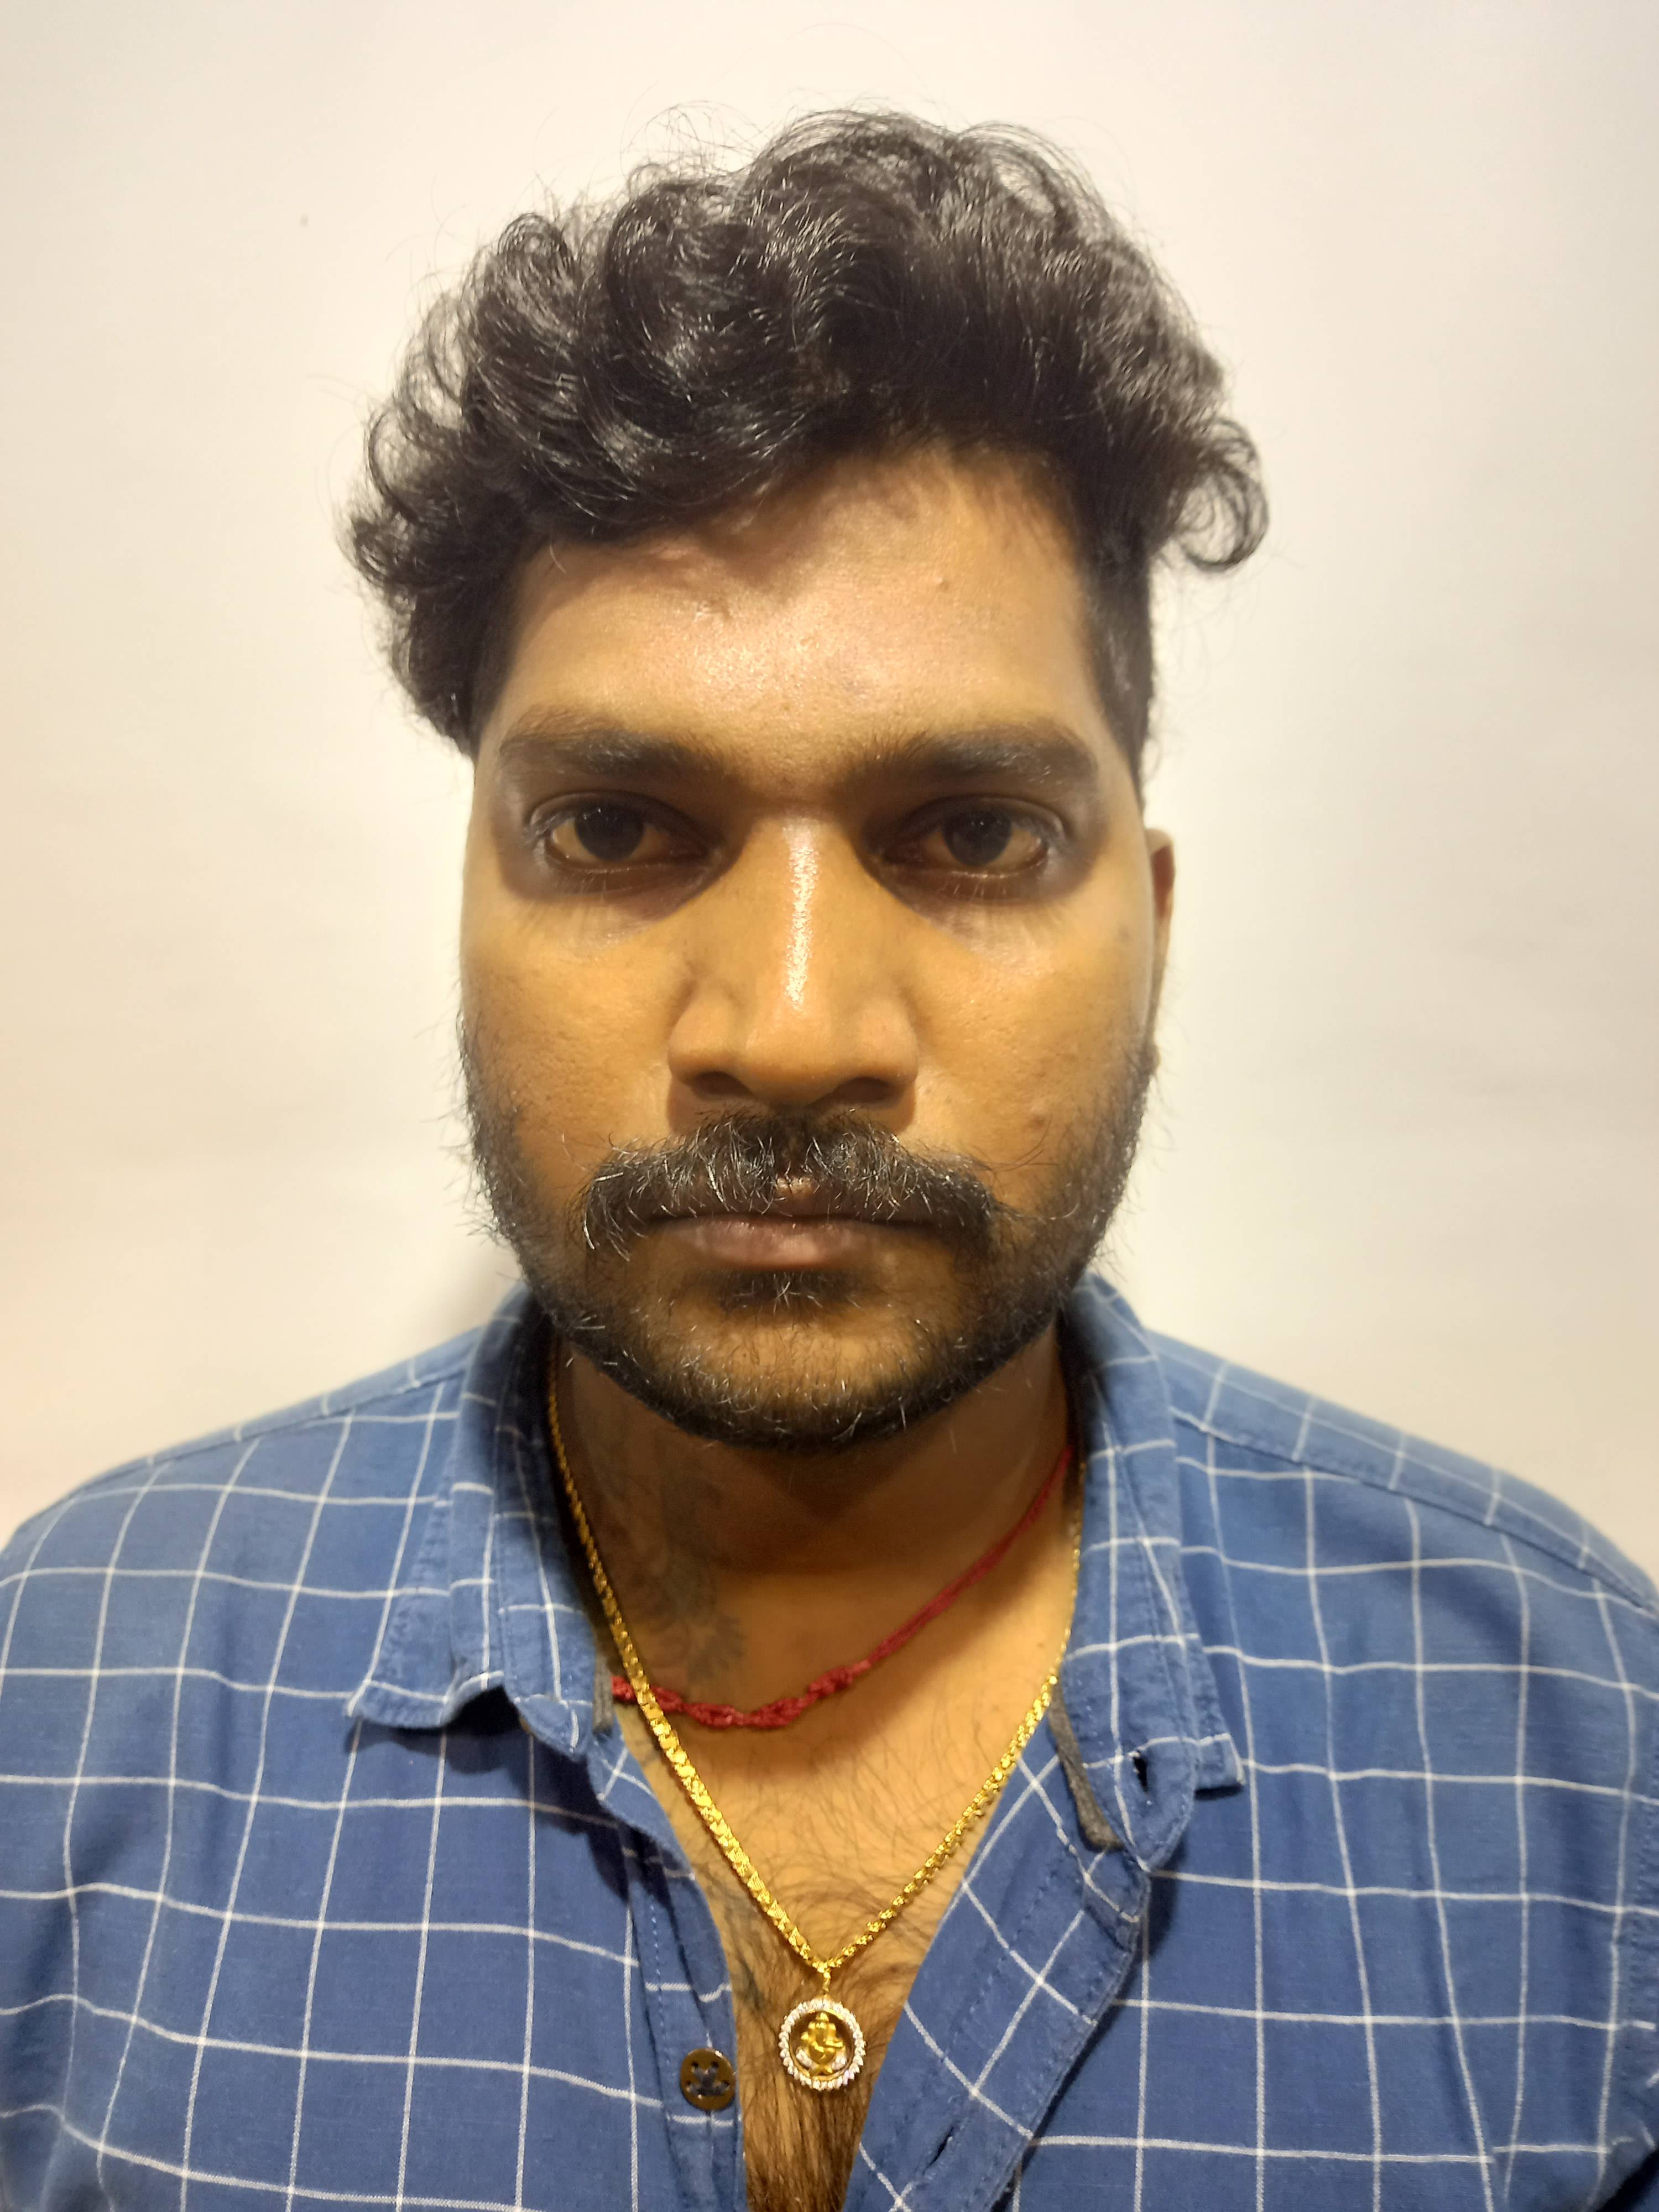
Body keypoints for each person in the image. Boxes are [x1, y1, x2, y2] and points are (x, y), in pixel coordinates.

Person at [1, 110, 1653, 2212]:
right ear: (466, 899)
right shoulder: (54, 1703)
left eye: (971, 835)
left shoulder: (1588, 1763)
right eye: (619, 828)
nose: (789, 1030)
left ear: (1153, 929)